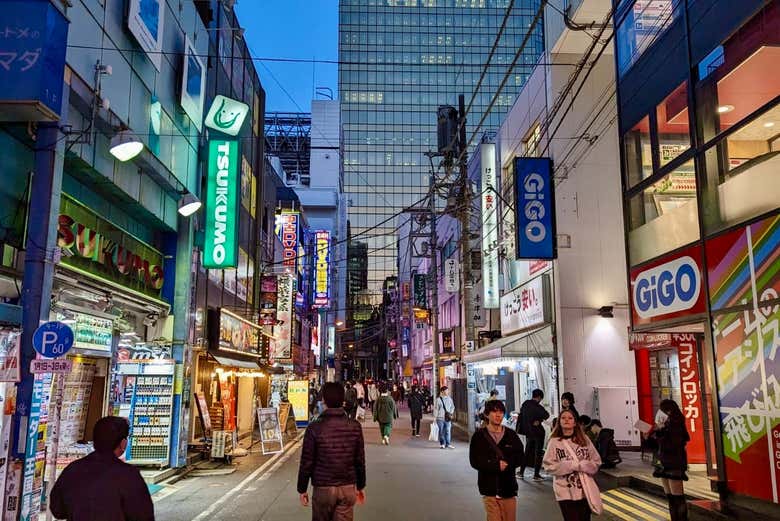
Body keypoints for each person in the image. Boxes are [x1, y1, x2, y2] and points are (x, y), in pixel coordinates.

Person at [50, 416, 155, 521]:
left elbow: (57, 510)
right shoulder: (129, 475)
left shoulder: (72, 469)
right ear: (123, 443)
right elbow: (144, 515)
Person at [298, 382, 367, 521]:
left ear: (323, 400)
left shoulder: (314, 428)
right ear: (343, 400)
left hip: (323, 488)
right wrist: (360, 485)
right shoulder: (354, 426)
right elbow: (359, 459)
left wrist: (302, 488)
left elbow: (307, 461)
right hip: (347, 486)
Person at [469, 400, 525, 521]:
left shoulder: (511, 435)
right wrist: (495, 465)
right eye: (494, 412)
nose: (498, 415)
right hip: (489, 489)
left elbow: (520, 456)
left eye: (501, 412)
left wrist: (508, 464)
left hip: (508, 488)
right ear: (487, 414)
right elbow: (474, 461)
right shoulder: (479, 437)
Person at [543, 409, 602, 521]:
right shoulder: (554, 442)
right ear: (559, 421)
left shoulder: (584, 440)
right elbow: (548, 466)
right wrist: (569, 465)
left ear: (575, 422)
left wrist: (585, 465)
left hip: (585, 490)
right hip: (564, 491)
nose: (566, 420)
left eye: (570, 418)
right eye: (563, 418)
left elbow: (596, 461)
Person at [646, 399, 690, 521]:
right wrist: (650, 435)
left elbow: (673, 445)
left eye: (663, 410)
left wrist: (662, 430)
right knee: (670, 497)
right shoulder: (663, 427)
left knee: (678, 498)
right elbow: (654, 446)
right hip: (662, 463)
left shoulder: (676, 425)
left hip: (674, 463)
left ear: (670, 411)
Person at [516, 388, 550, 481]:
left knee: (526, 452)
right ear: (539, 397)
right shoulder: (538, 407)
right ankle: (536, 475)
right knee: (538, 453)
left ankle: (521, 472)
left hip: (528, 432)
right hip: (538, 432)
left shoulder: (525, 404)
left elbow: (521, 416)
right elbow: (547, 415)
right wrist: (539, 420)